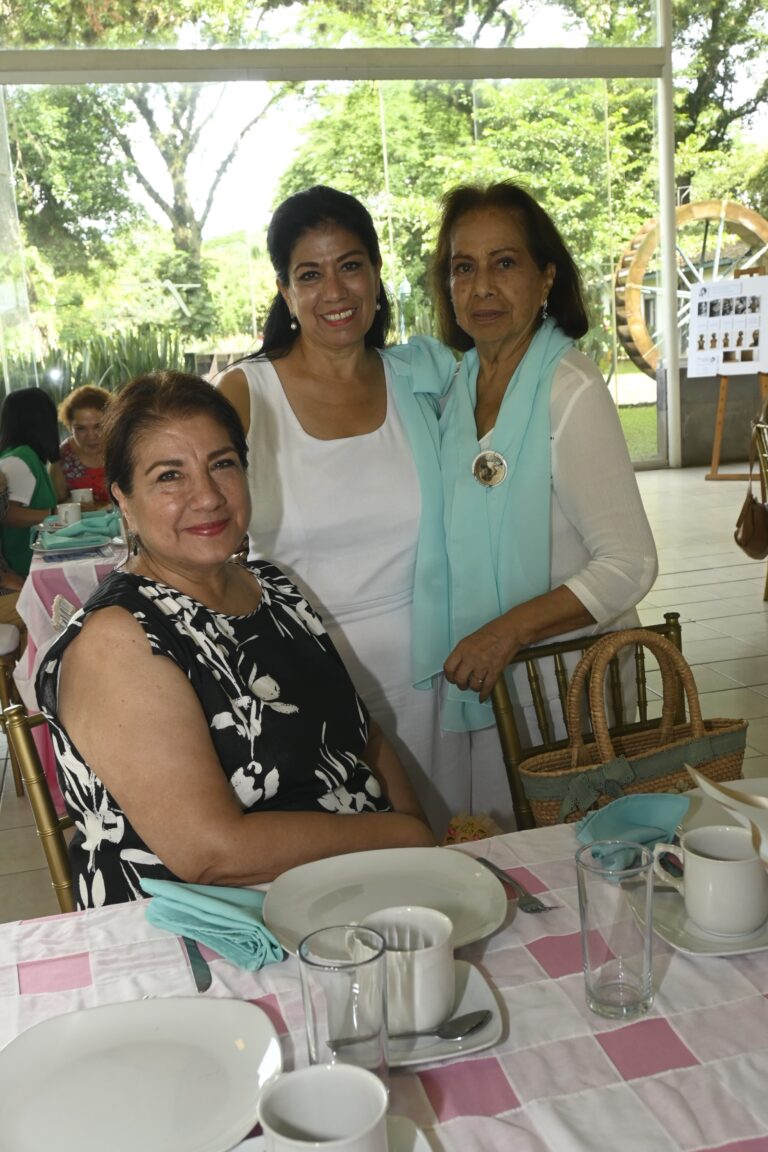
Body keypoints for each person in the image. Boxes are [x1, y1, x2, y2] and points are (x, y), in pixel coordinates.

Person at [36, 371, 434, 909]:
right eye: (169, 476)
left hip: (349, 890)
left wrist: (423, 860)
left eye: (222, 464)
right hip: (211, 930)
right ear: (123, 501)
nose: (207, 497)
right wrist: (404, 837)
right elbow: (211, 854)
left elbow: (365, 740)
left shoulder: (273, 588)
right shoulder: (120, 639)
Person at [217, 186, 460, 835]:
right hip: (308, 687)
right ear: (284, 290)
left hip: (436, 675)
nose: (335, 290)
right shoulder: (246, 393)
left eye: (351, 265)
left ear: (377, 275)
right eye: (310, 274)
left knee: (455, 856)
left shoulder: (422, 379)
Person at [432, 182, 658, 826]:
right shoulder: (458, 385)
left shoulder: (569, 389)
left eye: (505, 263)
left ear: (546, 277)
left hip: (566, 681)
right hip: (489, 684)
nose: (481, 289)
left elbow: (629, 565)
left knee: (573, 861)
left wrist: (505, 632)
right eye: (462, 268)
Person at [0, 387, 59, 576]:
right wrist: (55, 515)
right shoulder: (19, 460)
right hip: (22, 565)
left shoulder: (30, 456)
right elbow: (8, 514)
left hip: (37, 559)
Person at [50, 383, 111, 506]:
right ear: (70, 427)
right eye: (81, 428)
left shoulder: (123, 448)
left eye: (98, 426)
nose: (91, 435)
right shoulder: (62, 457)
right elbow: (55, 508)